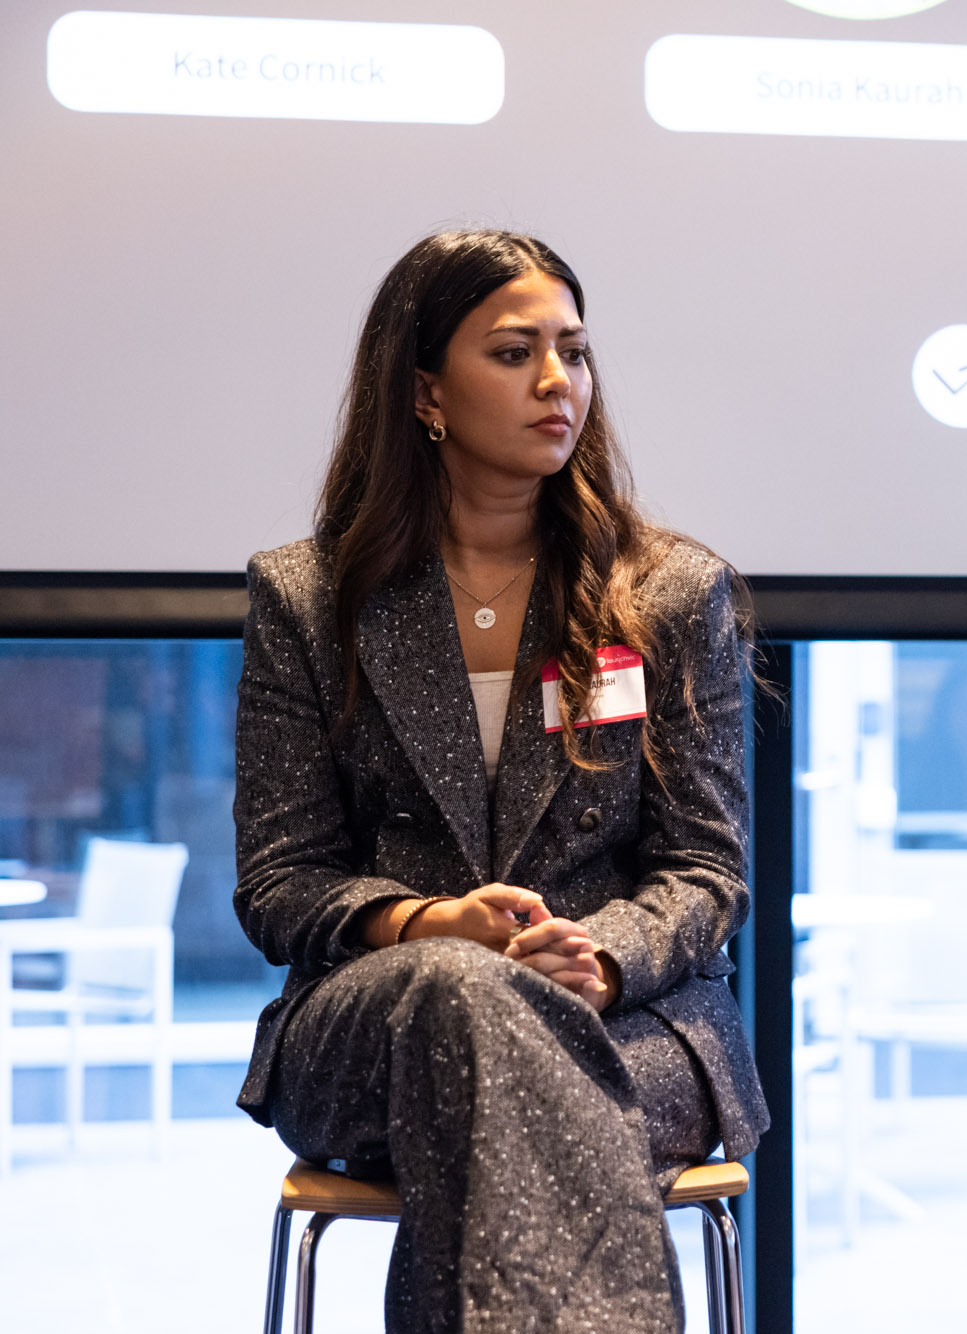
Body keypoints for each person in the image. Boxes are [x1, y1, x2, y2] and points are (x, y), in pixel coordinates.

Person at [232, 229, 767, 1333]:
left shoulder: (671, 592)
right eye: (515, 352)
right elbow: (281, 882)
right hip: (377, 1021)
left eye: (574, 351)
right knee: (458, 990)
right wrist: (432, 924)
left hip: (628, 1015)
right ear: (425, 391)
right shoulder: (310, 599)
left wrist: (600, 958)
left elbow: (704, 869)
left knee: (495, 1074)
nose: (557, 381)